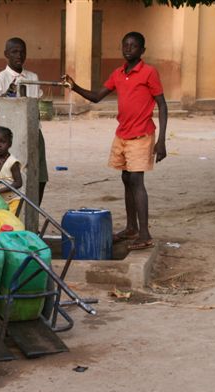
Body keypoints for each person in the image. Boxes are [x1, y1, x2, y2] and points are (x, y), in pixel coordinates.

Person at [64, 31, 168, 250]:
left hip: (141, 134)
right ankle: (131, 227)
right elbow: (96, 96)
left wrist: (162, 141)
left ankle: (145, 234)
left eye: (133, 46)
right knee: (126, 178)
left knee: (137, 181)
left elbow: (162, 105)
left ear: (142, 50)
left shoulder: (149, 72)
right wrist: (74, 87)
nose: (128, 49)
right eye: (125, 45)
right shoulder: (118, 73)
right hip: (122, 134)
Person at [0, 37, 49, 205]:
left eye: (22, 52)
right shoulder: (2, 78)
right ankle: (15, 211)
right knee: (15, 173)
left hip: (33, 131)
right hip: (11, 136)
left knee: (39, 175)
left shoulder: (32, 77)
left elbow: (38, 103)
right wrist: (4, 98)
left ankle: (34, 210)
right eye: (14, 52)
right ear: (6, 54)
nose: (19, 55)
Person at [0, 125, 23, 208]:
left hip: (11, 201)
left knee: (7, 220)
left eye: (3, 142)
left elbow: (18, 183)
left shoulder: (12, 162)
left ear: (10, 143)